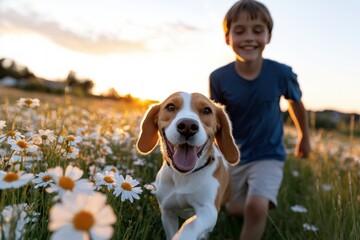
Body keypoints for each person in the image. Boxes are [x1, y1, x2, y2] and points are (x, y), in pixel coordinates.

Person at [209, 0, 311, 239]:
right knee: (234, 208)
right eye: (240, 30)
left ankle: (257, 210)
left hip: (269, 154)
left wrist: (305, 138)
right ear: (227, 37)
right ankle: (243, 209)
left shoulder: (282, 73)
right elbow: (212, 119)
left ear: (269, 36)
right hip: (233, 155)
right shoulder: (218, 78)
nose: (248, 38)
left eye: (257, 30)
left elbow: (296, 104)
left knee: (256, 208)